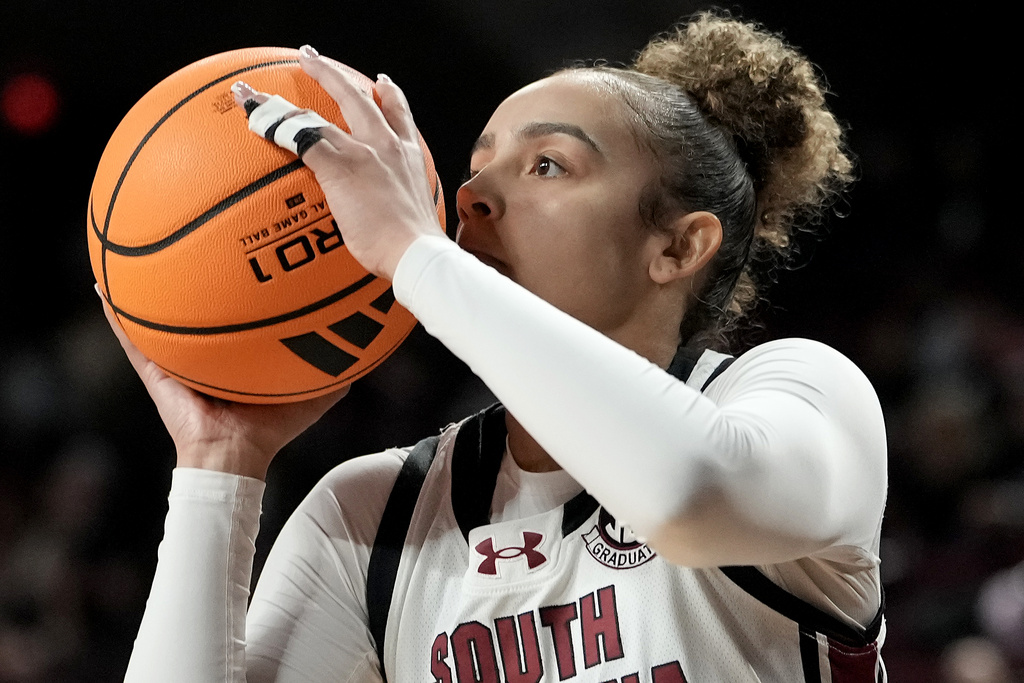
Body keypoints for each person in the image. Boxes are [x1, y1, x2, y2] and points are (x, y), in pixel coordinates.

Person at [111, 10, 888, 682]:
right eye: (477, 167)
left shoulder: (799, 395)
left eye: (547, 164)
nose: (473, 196)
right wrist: (220, 462)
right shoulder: (377, 513)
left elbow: (685, 496)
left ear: (680, 248)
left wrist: (415, 255)